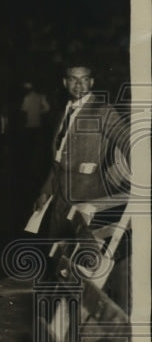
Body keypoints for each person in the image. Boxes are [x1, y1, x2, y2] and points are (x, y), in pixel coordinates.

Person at [34, 63, 128, 239]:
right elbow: (57, 159)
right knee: (57, 251)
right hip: (60, 196)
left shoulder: (102, 111)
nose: (78, 85)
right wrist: (45, 191)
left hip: (87, 197)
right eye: (72, 79)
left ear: (91, 82)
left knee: (82, 257)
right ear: (64, 83)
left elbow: (129, 143)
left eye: (84, 79)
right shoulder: (65, 111)